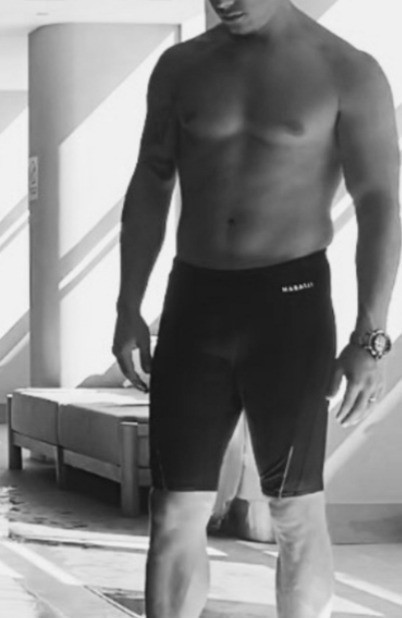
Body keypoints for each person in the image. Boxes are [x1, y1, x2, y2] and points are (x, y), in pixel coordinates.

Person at [112, 1, 401, 616]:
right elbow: (151, 180)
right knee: (174, 509)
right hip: (194, 302)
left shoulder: (348, 70)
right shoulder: (180, 67)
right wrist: (127, 303)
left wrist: (371, 335)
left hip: (289, 308)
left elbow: (380, 200)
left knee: (295, 511)